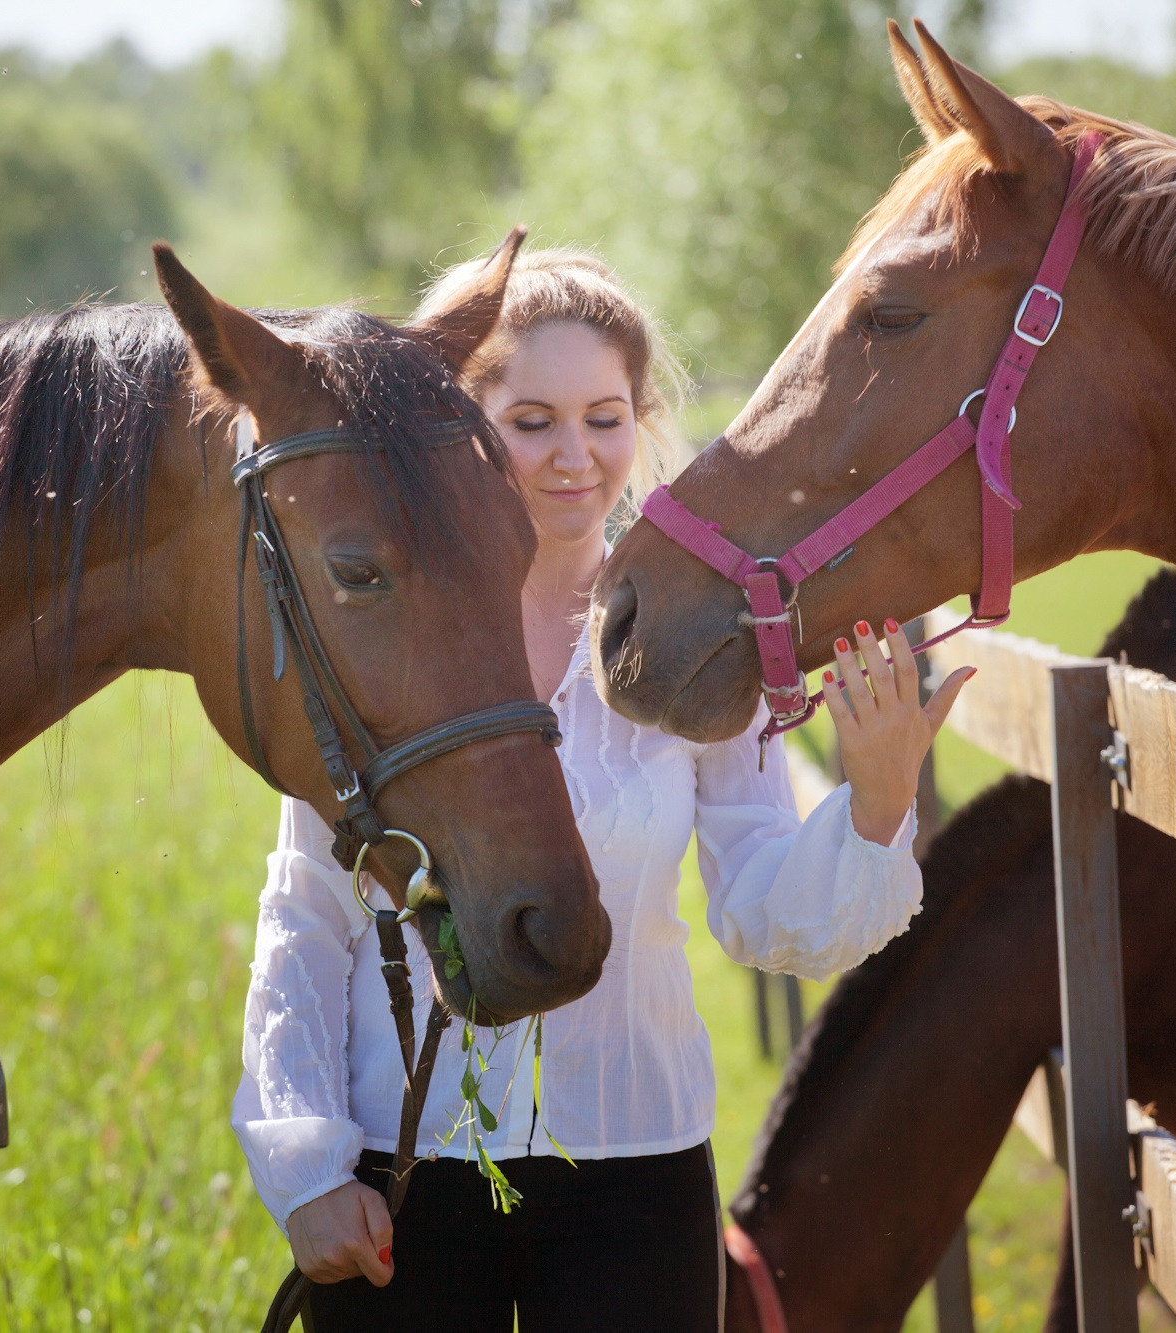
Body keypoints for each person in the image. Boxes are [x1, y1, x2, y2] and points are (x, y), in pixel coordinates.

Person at [231, 245, 973, 1331]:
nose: (574, 456)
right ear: (459, 426)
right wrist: (303, 1168)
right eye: (530, 421)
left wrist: (873, 802)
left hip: (633, 1172)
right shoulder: (379, 640)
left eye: (604, 416)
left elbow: (763, 912)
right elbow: (306, 915)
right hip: (397, 1173)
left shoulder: (690, 645)